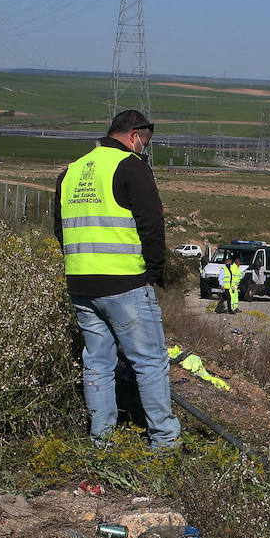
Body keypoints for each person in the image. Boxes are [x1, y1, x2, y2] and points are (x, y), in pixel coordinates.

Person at [54, 110, 179, 450]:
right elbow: (152, 223)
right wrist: (154, 273)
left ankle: (102, 443)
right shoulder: (130, 166)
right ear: (133, 135)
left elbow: (59, 229)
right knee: (151, 362)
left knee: (97, 364)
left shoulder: (71, 171)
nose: (144, 149)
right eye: (145, 142)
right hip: (125, 283)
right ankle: (165, 444)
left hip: (80, 283)